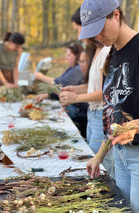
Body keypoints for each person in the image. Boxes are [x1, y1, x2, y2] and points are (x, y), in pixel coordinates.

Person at [79, 0, 139, 212]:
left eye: (100, 28)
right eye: (92, 32)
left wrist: (134, 127)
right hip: (120, 154)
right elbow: (113, 113)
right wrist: (100, 154)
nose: (98, 37)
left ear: (116, 15)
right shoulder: (112, 54)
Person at [59, 7, 114, 179]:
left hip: (101, 115)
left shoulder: (106, 51)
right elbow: (94, 86)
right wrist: (75, 89)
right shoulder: (95, 51)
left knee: (101, 168)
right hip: (92, 114)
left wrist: (76, 98)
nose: (79, 36)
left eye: (78, 30)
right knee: (91, 159)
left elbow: (107, 92)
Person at [34, 43, 88, 138]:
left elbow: (59, 84)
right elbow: (60, 87)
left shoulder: (78, 69)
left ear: (77, 55)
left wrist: (41, 77)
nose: (66, 58)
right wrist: (47, 95)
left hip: (80, 112)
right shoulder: (72, 68)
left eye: (68, 55)